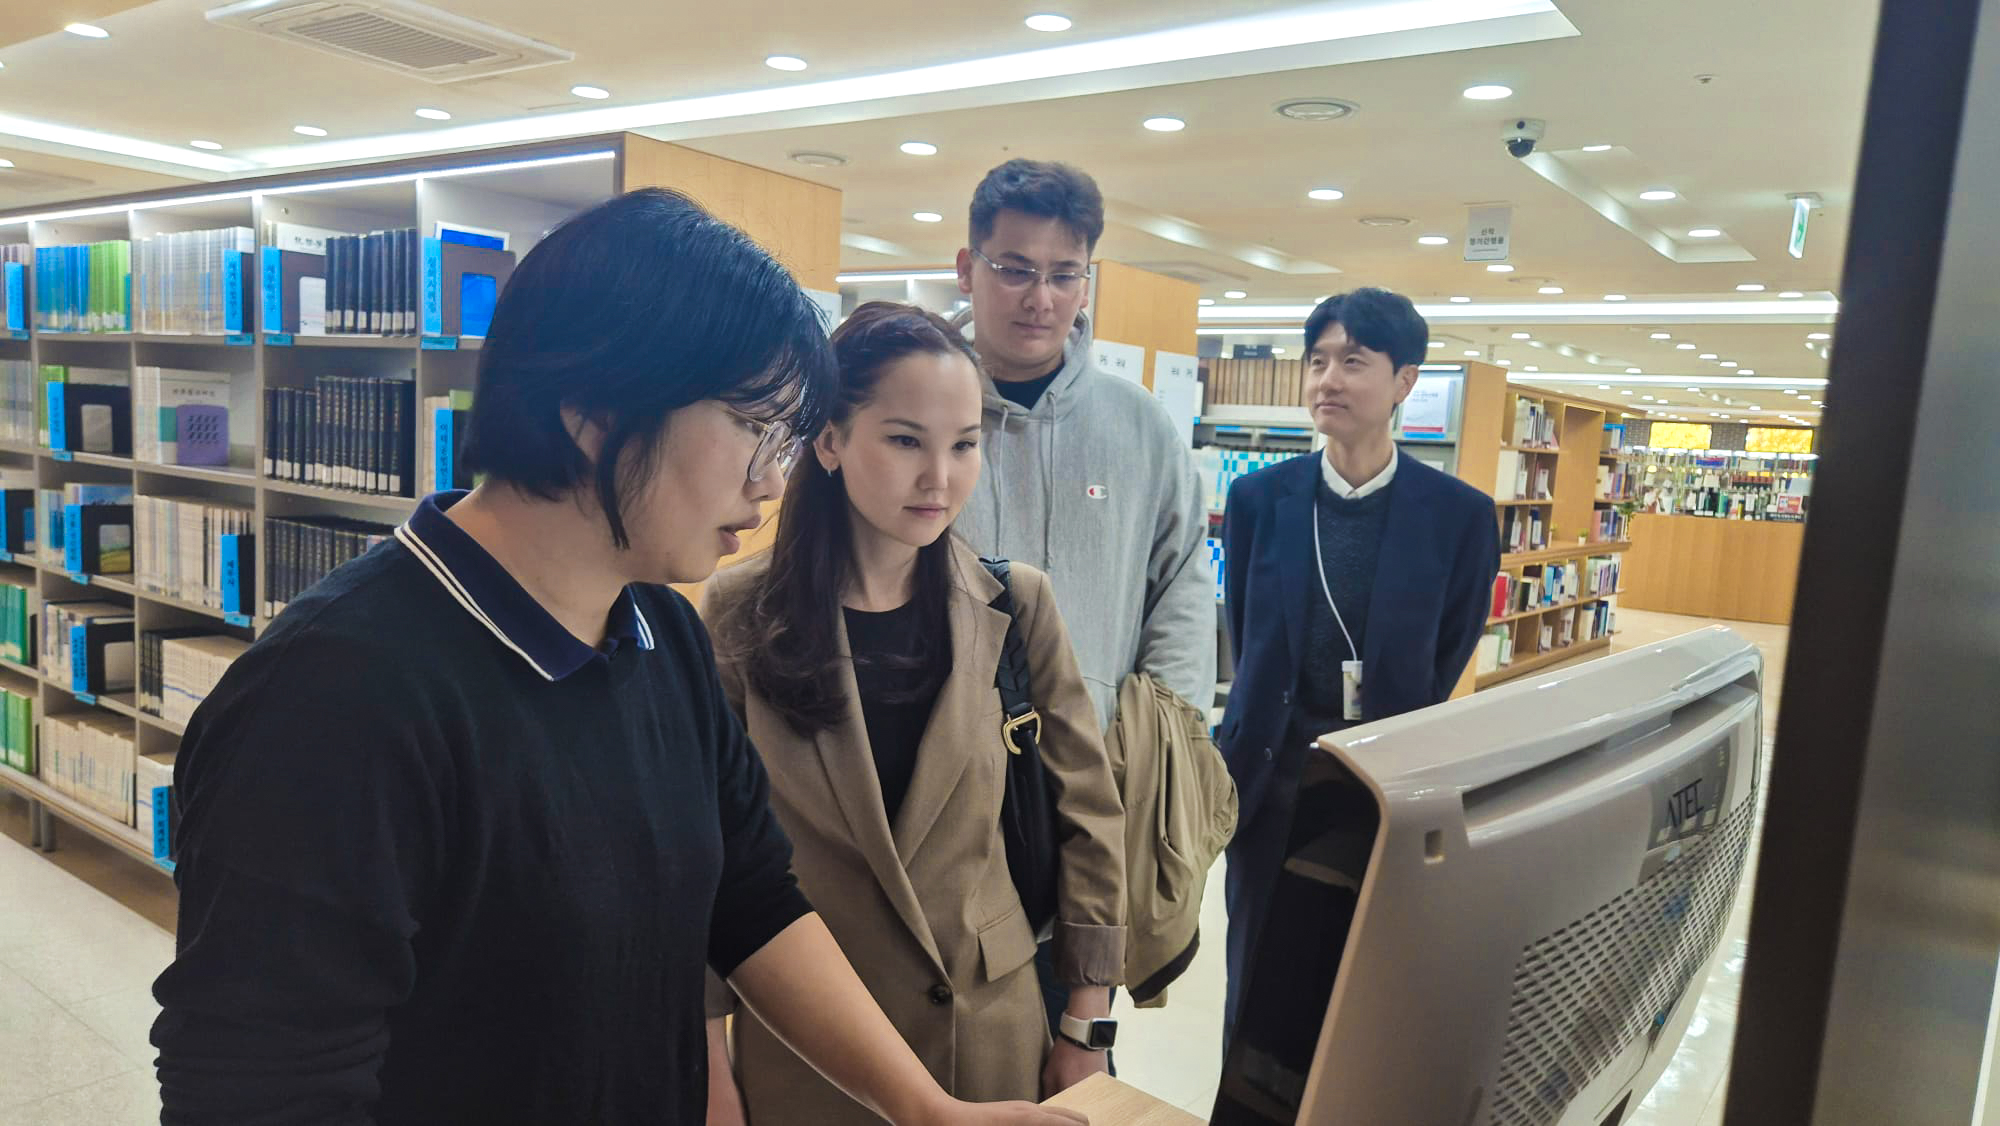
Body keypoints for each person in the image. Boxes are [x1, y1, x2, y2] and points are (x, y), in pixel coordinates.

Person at [150, 189, 1086, 1126]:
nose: (771, 481)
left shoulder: (662, 636)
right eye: (757, 429)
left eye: (789, 441)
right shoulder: (332, 702)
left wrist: (924, 1109)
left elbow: (751, 900)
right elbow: (261, 1089)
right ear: (595, 412)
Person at [702, 302, 1127, 1124]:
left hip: (990, 1031)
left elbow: (1089, 817)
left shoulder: (1015, 604)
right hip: (809, 1040)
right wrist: (709, 1060)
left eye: (964, 444)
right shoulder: (736, 613)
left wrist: (1088, 1020)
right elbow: (705, 856)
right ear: (828, 441)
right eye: (905, 441)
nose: (941, 477)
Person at [950, 158, 1217, 1035]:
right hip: (945, 779)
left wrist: (1159, 728)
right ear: (968, 269)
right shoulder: (919, 408)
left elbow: (1182, 580)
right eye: (1015, 269)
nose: (1040, 297)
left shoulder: (1138, 424)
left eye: (1065, 275)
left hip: (1091, 787)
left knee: (1077, 1030)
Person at [1216, 287, 1500, 1039]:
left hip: (1382, 788)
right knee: (1255, 988)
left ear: (1405, 382)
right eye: (1317, 361)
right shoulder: (1257, 499)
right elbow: (1246, 638)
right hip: (1268, 783)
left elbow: (1444, 656)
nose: (1327, 380)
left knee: (1363, 993)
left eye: (1353, 361)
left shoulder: (1459, 518)